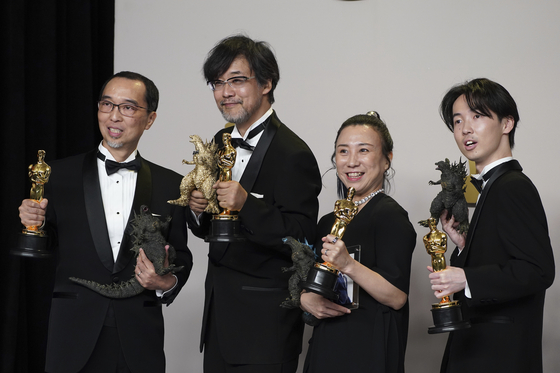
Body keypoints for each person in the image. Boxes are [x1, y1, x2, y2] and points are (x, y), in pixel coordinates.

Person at [18, 71, 193, 373]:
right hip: (72, 333)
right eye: (107, 105)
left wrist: (167, 282)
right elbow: (45, 247)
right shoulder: (57, 175)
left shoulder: (173, 185)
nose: (114, 116)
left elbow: (180, 255)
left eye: (127, 107)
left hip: (139, 337)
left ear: (149, 119)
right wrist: (33, 223)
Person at [187, 35, 322, 373]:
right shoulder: (219, 142)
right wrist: (196, 208)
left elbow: (303, 238)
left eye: (236, 80)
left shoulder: (294, 153)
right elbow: (210, 229)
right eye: (217, 83)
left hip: (265, 328)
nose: (225, 92)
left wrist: (247, 204)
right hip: (218, 321)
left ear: (266, 83)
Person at [428, 78, 555, 373]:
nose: (465, 129)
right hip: (479, 349)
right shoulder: (494, 186)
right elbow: (502, 260)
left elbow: (538, 270)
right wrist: (463, 246)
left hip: (498, 356)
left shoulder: (512, 186)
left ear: (507, 123)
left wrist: (465, 279)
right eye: (457, 121)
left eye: (477, 116)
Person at [300, 112, 416, 373]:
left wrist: (348, 264)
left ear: (387, 159)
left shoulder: (390, 216)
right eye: (343, 151)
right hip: (326, 345)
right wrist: (305, 298)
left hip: (369, 351)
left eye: (363, 150)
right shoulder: (328, 220)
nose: (352, 161)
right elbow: (312, 281)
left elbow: (397, 297)